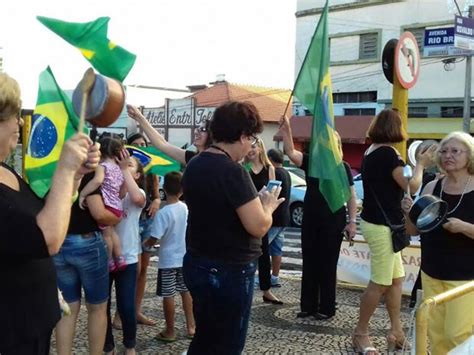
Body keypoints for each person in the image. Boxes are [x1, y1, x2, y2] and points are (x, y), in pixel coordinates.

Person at [0, 72, 101, 354]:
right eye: (14, 115)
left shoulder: (5, 170)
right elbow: (47, 239)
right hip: (11, 333)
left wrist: (76, 177)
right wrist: (65, 169)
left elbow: (45, 216)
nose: (20, 122)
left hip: (31, 323)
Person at [182, 101, 284, 354]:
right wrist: (268, 207)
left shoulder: (195, 163)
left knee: (205, 337)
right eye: (251, 138)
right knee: (227, 343)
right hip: (229, 269)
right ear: (241, 136)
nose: (251, 145)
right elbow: (258, 226)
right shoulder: (233, 171)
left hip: (197, 261)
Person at [352, 109, 434, 354]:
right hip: (382, 226)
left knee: (396, 281)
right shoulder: (388, 154)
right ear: (396, 128)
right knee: (379, 283)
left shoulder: (372, 151)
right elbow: (411, 186)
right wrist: (420, 164)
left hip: (379, 222)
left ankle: (396, 331)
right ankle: (360, 333)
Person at [279, 115, 358, 321]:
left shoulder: (343, 167)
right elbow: (290, 152)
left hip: (334, 220)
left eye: (328, 141)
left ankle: (327, 307)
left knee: (327, 263)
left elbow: (351, 196)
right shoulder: (312, 162)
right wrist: (287, 129)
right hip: (311, 218)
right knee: (310, 261)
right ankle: (308, 306)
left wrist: (351, 222)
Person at [402, 131, 474, 355]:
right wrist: (408, 212)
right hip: (432, 272)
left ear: (470, 155)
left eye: (455, 151)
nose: (447, 155)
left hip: (465, 276)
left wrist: (464, 227)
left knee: (458, 335)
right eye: (443, 151)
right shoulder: (432, 187)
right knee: (436, 334)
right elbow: (413, 230)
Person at [145, 171, 195, 342]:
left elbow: (154, 237)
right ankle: (191, 327)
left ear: (164, 189)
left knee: (168, 295)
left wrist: (145, 244)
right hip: (185, 258)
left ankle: (170, 330)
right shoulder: (186, 208)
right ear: (183, 190)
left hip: (167, 261)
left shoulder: (163, 213)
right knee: (186, 291)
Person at [104, 153, 146, 355]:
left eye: (130, 165)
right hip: (104, 257)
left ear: (137, 175)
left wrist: (122, 170)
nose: (123, 165)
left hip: (127, 258)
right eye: (121, 162)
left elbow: (137, 199)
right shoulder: (108, 190)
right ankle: (108, 345)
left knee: (126, 305)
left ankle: (130, 345)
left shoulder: (139, 193)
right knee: (103, 305)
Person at [123, 132, 161, 327]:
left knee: (142, 270)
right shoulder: (126, 169)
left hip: (147, 221)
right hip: (129, 224)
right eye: (137, 144)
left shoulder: (150, 169)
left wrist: (156, 200)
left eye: (144, 144)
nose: (141, 148)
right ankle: (121, 314)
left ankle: (136, 311)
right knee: (129, 269)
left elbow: (156, 194)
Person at [79, 136, 126, 272]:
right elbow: (122, 191)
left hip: (107, 206)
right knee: (113, 233)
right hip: (117, 206)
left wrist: (83, 194)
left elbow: (97, 181)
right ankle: (120, 258)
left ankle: (110, 260)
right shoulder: (119, 168)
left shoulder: (102, 167)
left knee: (106, 235)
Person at [244, 139, 282, 304]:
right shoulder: (243, 168)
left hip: (262, 214)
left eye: (254, 146)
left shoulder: (270, 169)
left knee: (264, 253)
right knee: (246, 254)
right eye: (249, 147)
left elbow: (273, 192)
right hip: (246, 214)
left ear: (260, 148)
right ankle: (244, 287)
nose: (251, 150)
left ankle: (266, 290)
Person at [127, 104, 212, 165]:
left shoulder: (217, 163)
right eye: (197, 129)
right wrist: (139, 117)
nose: (196, 132)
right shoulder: (192, 158)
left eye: (203, 129)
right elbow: (162, 144)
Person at [266, 148, 291, 288]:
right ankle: (274, 277)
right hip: (284, 217)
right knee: (276, 250)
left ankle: (262, 278)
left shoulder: (275, 173)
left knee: (262, 249)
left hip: (274, 217)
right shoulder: (286, 172)